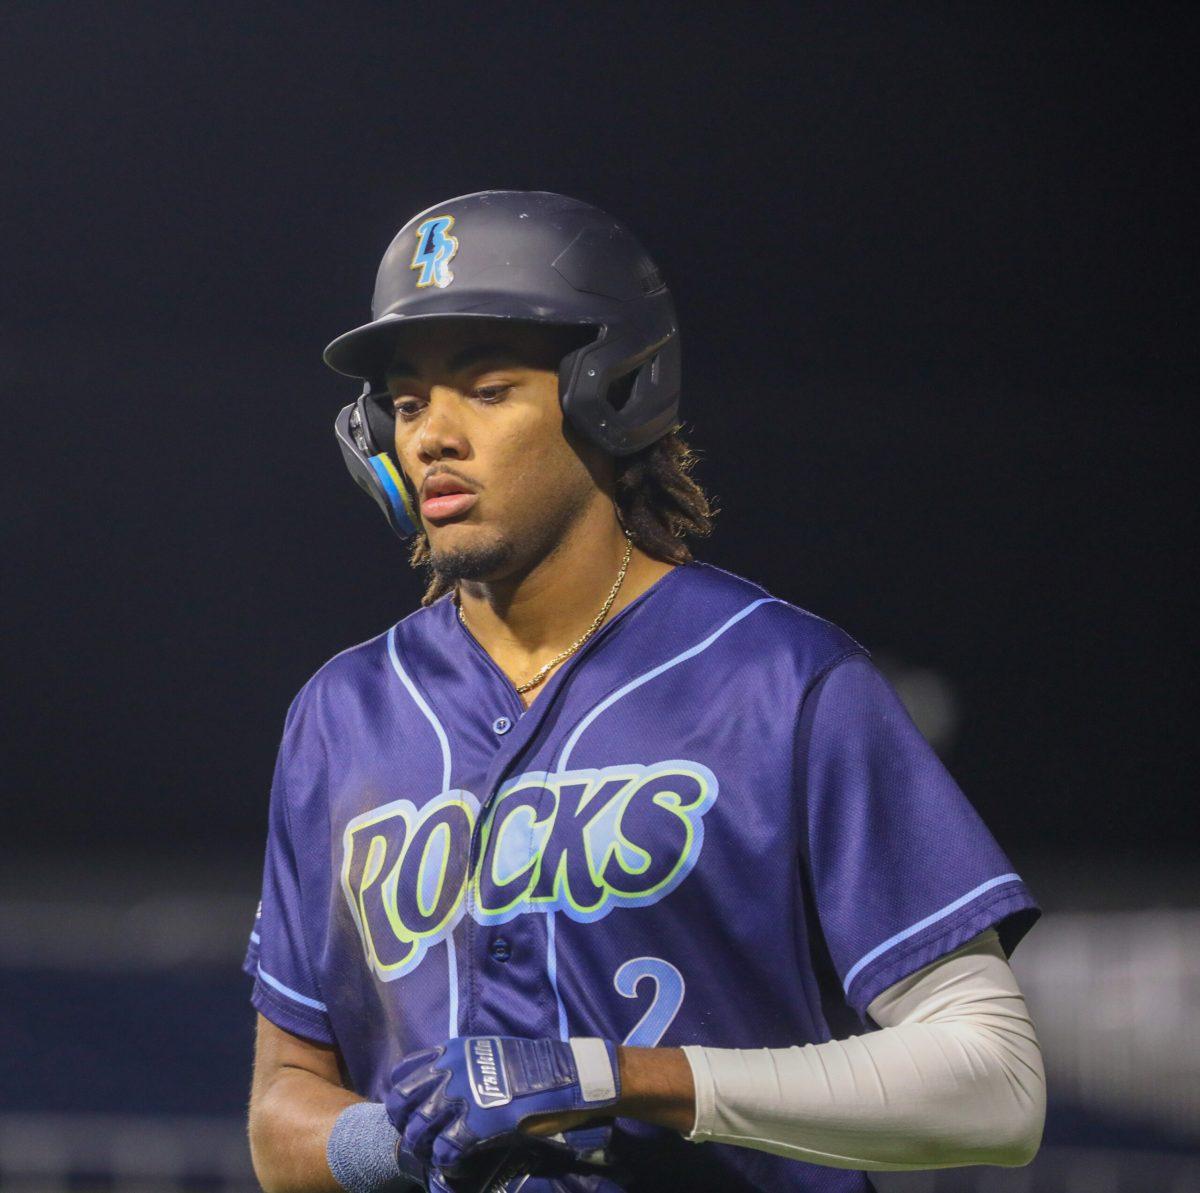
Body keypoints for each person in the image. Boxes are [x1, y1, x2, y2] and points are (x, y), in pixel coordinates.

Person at [244, 190, 1046, 1193]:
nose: (433, 435)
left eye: (487, 389)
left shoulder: (783, 680)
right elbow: (283, 1106)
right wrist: (397, 1143)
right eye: (406, 403)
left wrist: (617, 1077)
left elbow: (994, 1084)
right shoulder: (341, 712)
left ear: (610, 393)